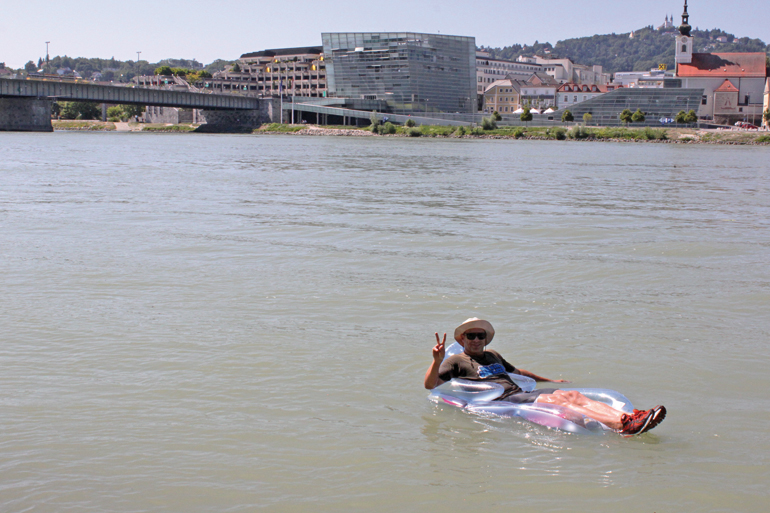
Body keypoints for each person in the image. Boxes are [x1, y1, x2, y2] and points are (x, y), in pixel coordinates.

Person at [424, 318, 666, 436]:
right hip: (500, 401)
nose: (476, 340)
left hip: (520, 394)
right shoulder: (456, 361)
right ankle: (623, 427)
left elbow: (518, 373)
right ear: (462, 340)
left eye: (480, 335)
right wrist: (436, 361)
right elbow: (430, 385)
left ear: (485, 339)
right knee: (557, 402)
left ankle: (629, 417)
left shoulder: (494, 356)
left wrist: (550, 381)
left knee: (570, 395)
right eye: (471, 336)